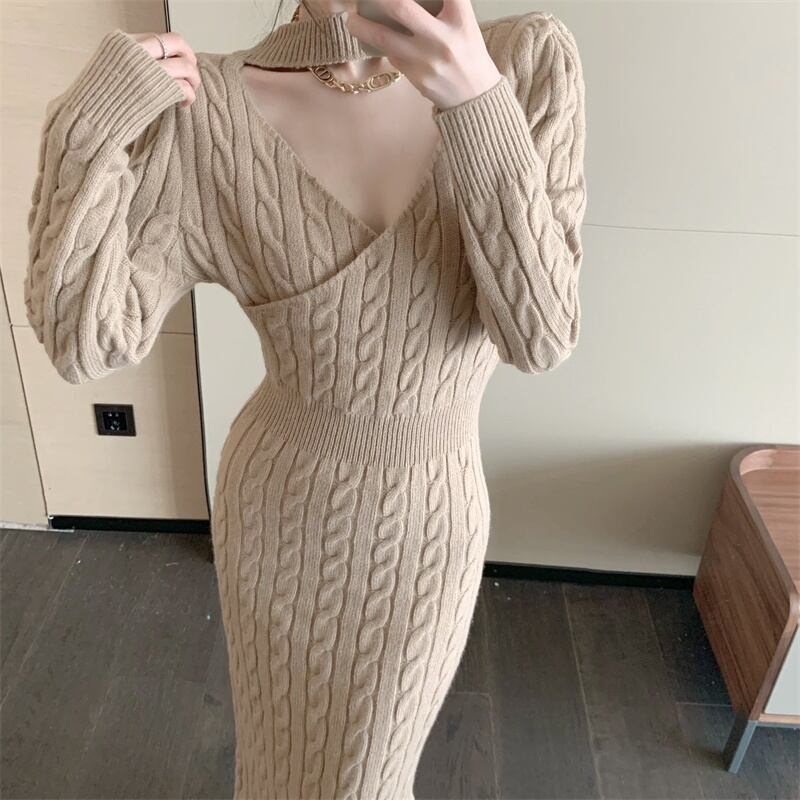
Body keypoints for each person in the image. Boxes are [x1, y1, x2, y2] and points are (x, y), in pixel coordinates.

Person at [23, 0, 587, 796]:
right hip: (277, 519)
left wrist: (476, 101)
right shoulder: (213, 108)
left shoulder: (525, 64)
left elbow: (542, 336)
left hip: (427, 524)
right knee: (276, 770)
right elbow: (85, 341)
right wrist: (84, 134)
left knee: (365, 782)